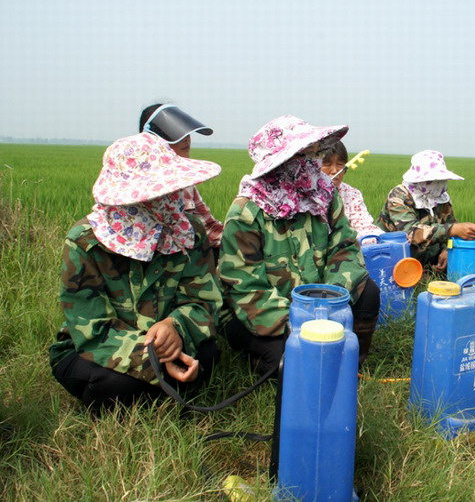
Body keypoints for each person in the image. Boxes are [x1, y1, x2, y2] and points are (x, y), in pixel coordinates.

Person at [50, 132, 224, 412]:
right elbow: (91, 327)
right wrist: (154, 356)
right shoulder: (86, 242)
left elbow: (204, 301)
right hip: (98, 347)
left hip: (169, 341)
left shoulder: (188, 231)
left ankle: (160, 389)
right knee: (115, 384)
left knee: (208, 355)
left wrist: (175, 327)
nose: (169, 199)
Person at [218, 115, 380, 376]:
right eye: (304, 156)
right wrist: (298, 320)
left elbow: (346, 246)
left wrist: (332, 299)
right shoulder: (247, 212)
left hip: (321, 301)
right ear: (280, 162)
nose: (313, 164)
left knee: (368, 291)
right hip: (264, 311)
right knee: (291, 363)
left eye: (315, 154)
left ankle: (350, 365)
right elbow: (244, 285)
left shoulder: (324, 196)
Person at [376, 149, 475, 272]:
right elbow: (412, 233)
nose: (439, 184)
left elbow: (449, 223)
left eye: (441, 180)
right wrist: (452, 230)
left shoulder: (441, 198)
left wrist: (447, 249)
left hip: (428, 260)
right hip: (394, 260)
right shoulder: (399, 197)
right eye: (434, 180)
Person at [139, 103, 224, 249]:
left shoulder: (185, 184)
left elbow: (209, 227)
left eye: (186, 134)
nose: (186, 140)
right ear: (152, 140)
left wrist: (244, 239)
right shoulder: (134, 185)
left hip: (186, 256)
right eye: (175, 134)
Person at [320, 141, 384, 240]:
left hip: (347, 246)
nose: (335, 170)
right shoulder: (304, 195)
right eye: (327, 165)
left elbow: (364, 226)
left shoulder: (351, 194)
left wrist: (382, 238)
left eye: (340, 164)